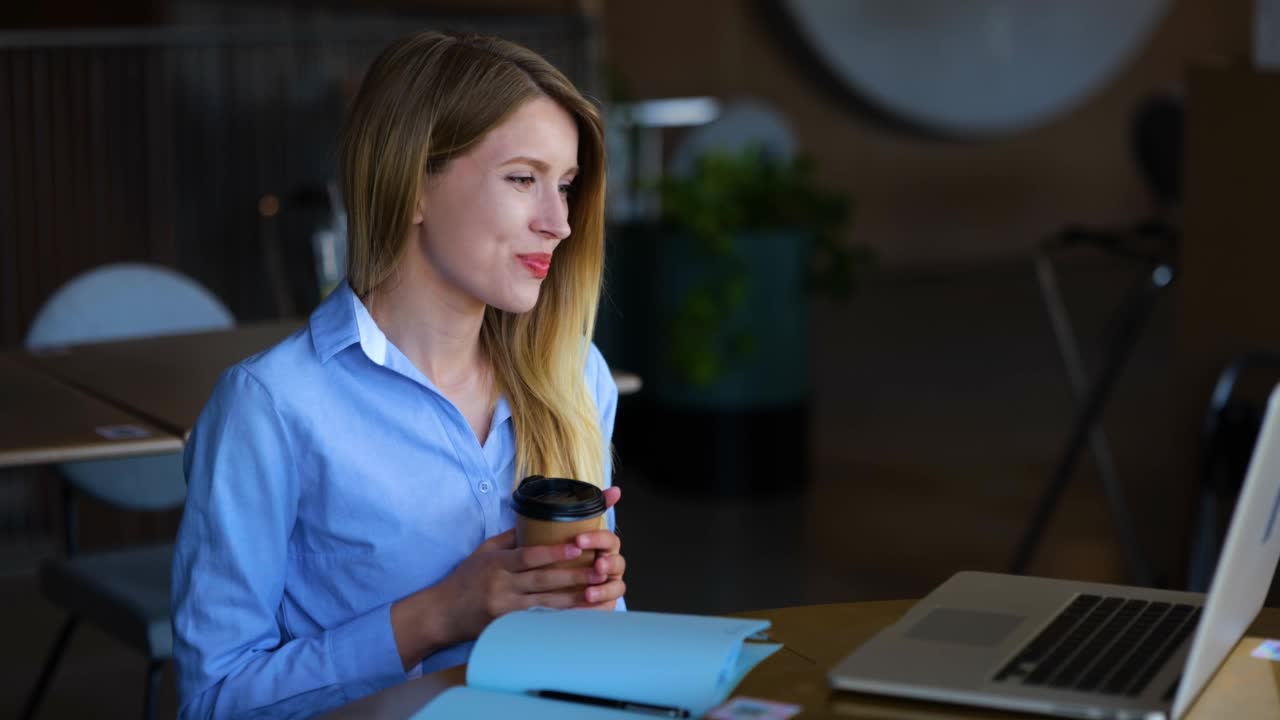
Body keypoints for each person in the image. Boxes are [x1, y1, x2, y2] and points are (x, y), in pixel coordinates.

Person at [170, 31, 626, 720]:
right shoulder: (270, 407)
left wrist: (600, 604)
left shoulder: (577, 377)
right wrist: (440, 614)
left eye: (565, 186)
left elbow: (597, 659)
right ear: (413, 185)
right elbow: (214, 701)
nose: (559, 222)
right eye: (523, 179)